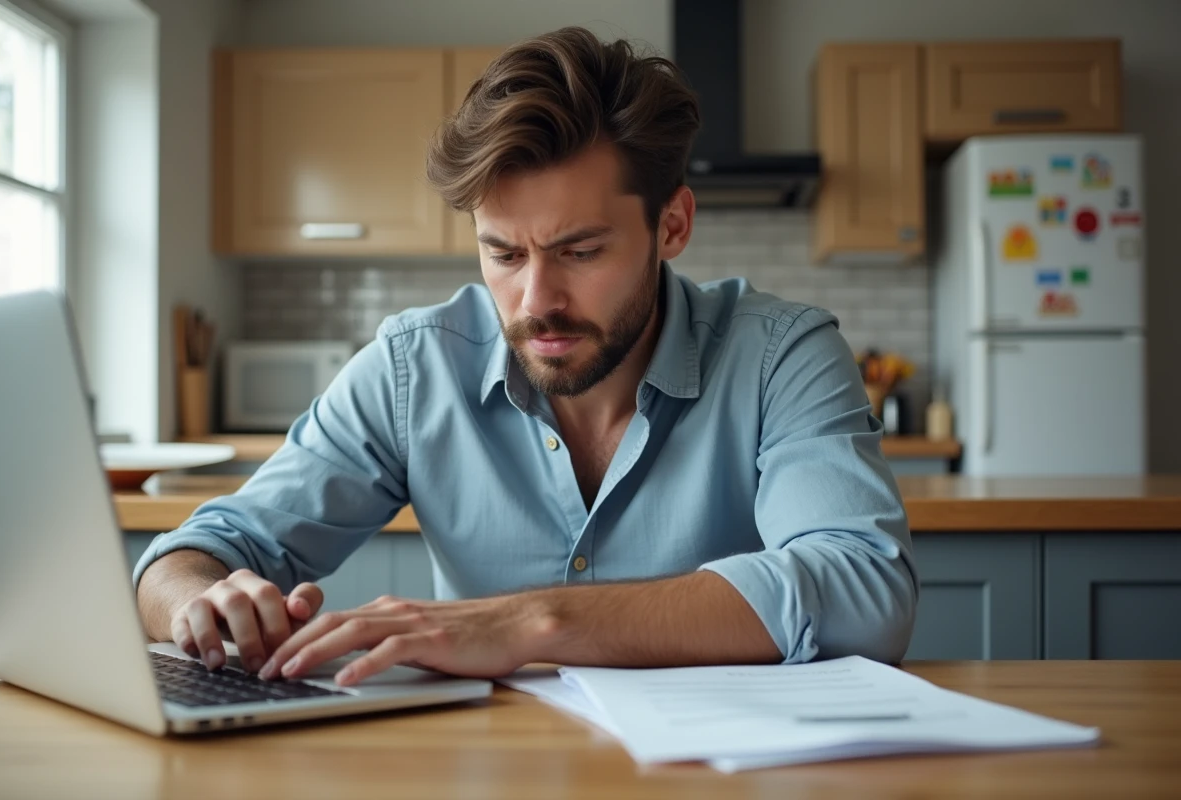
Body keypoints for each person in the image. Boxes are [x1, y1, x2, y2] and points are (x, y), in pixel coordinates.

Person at [135, 27, 917, 688]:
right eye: (503, 253)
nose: (537, 298)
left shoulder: (783, 355)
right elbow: (193, 553)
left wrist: (532, 622)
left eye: (580, 250)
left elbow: (864, 587)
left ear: (672, 226)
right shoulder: (416, 369)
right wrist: (198, 601)